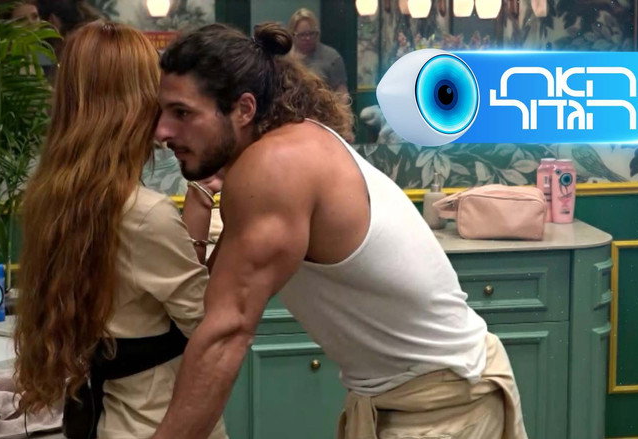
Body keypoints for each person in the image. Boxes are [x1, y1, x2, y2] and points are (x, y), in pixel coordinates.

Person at [151, 22, 527, 439]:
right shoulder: (289, 147)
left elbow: (226, 333)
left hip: (444, 405)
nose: (162, 131)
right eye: (162, 112)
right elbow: (212, 303)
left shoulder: (277, 164)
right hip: (415, 395)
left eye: (182, 113)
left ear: (244, 109)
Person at [12, 21, 227, 439]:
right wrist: (238, 225)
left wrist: (198, 209)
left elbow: (137, 292)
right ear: (137, 104)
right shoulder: (145, 214)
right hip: (159, 421)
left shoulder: (54, 197)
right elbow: (211, 326)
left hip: (98, 418)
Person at [287, 8, 348, 94]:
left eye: (311, 33)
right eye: (302, 35)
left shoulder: (332, 58)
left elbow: (342, 94)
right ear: (292, 35)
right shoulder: (283, 59)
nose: (308, 38)